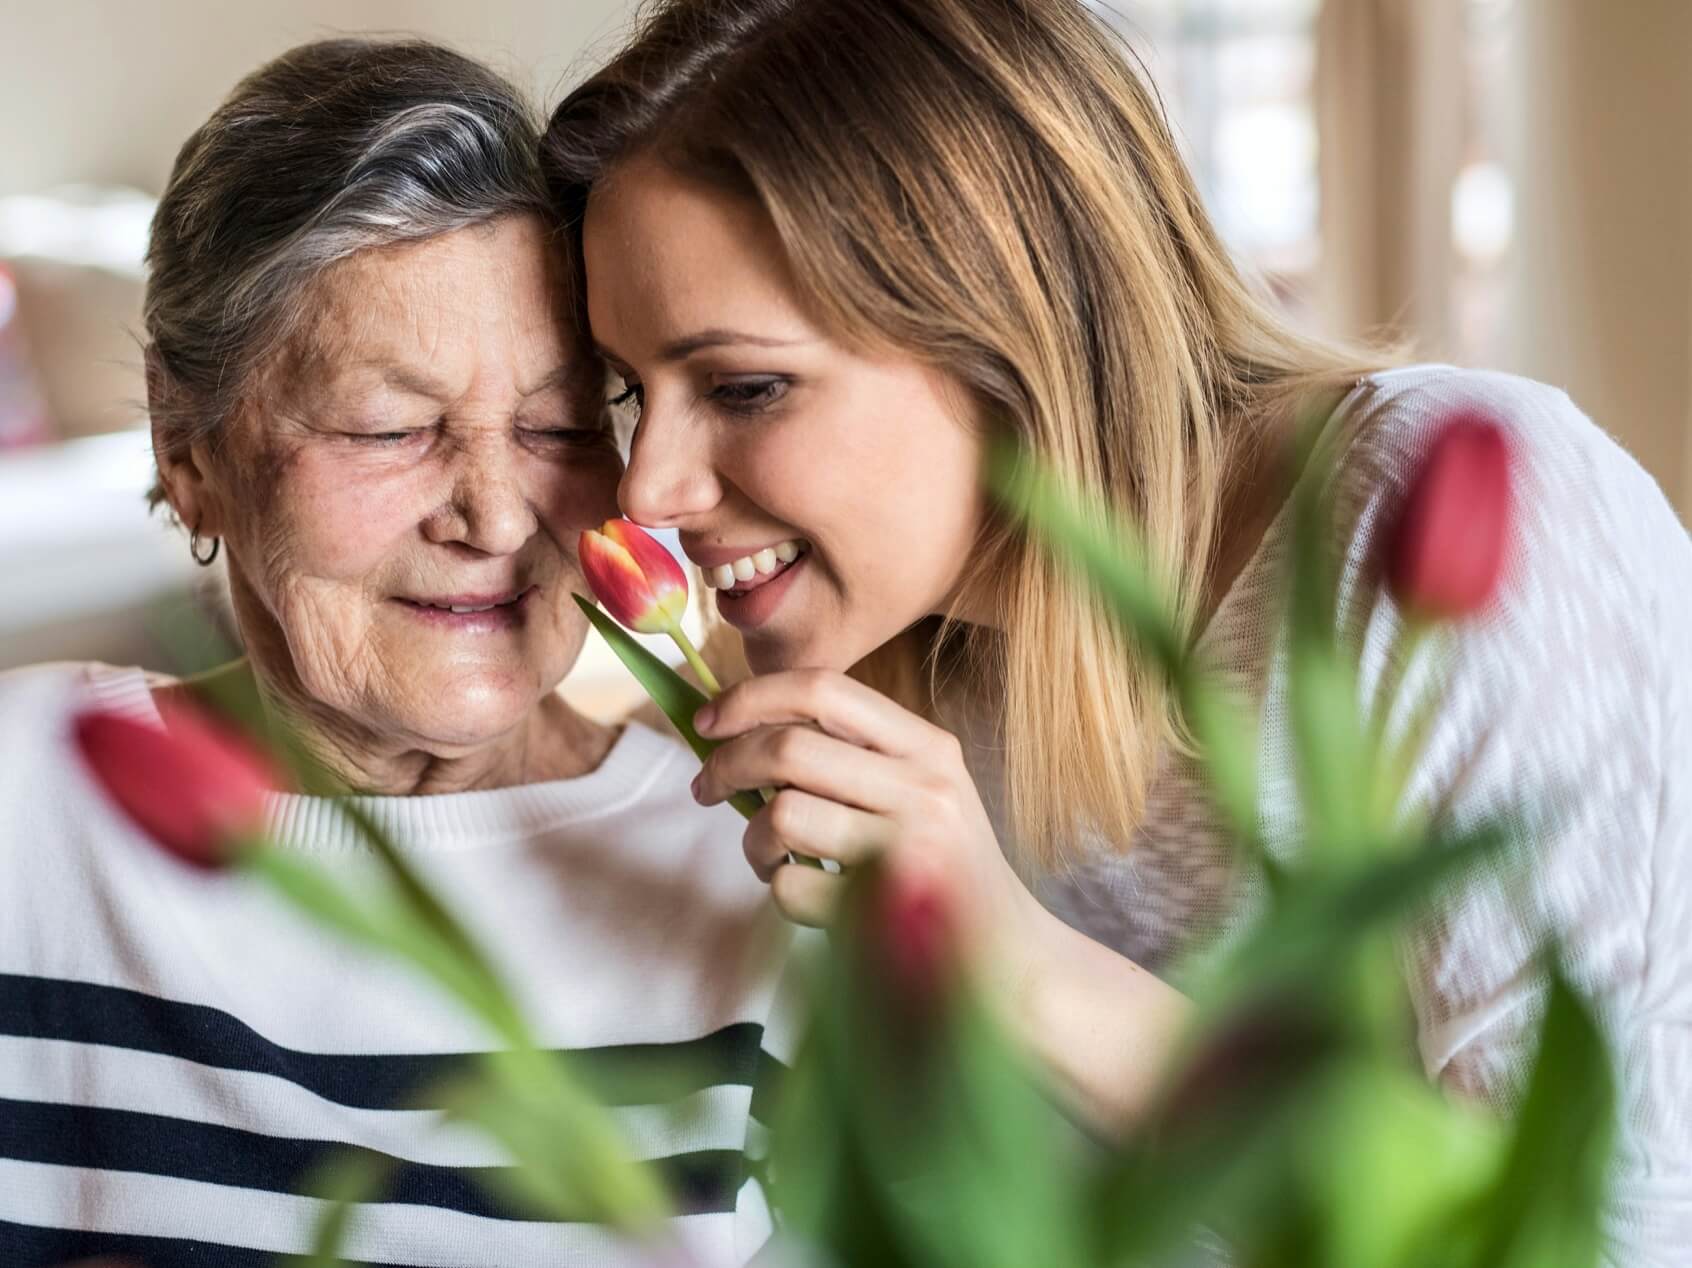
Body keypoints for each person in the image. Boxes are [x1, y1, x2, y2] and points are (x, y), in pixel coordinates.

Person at [541, 0, 1692, 1260]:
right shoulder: (905, 661)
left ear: (1002, 319)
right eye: (631, 392)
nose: (649, 490)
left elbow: (1577, 1225)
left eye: (745, 386)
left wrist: (1015, 958)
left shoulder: (1445, 522)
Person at [0, 39, 799, 1268]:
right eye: (392, 427)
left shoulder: (754, 867)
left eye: (558, 424)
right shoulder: (29, 805)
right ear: (186, 447)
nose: (493, 513)